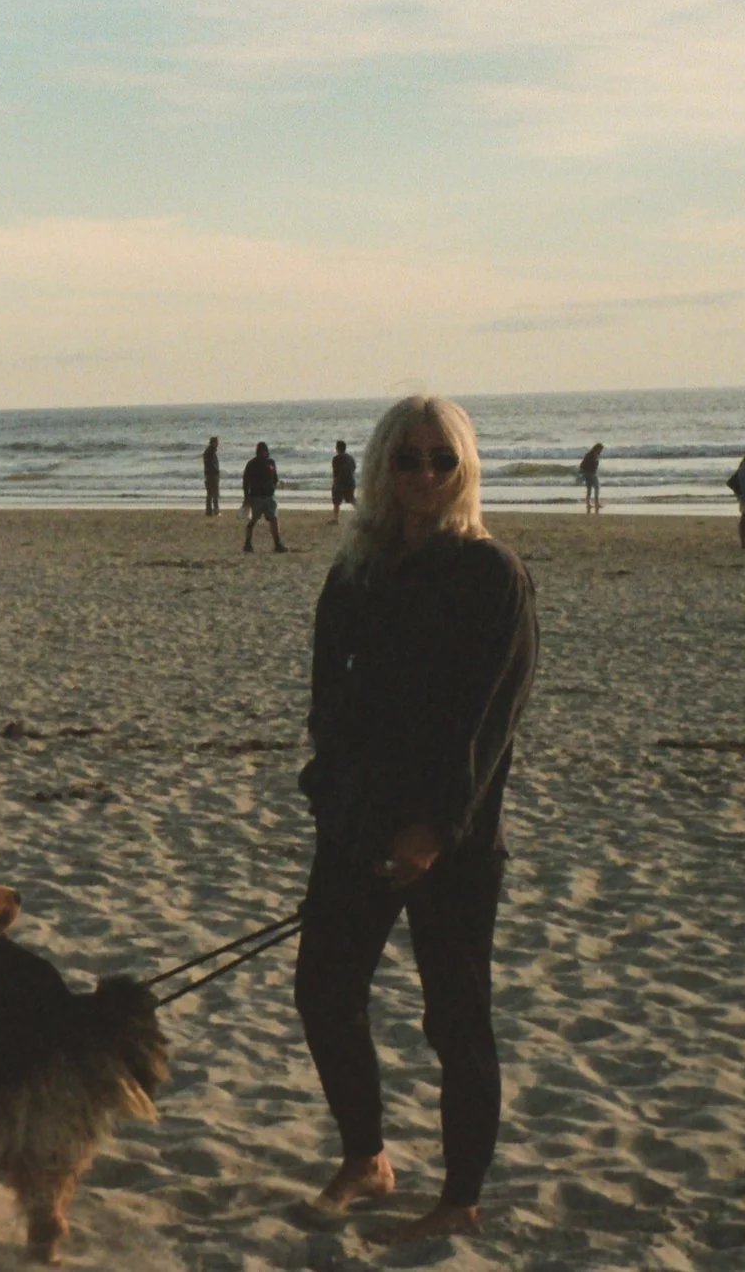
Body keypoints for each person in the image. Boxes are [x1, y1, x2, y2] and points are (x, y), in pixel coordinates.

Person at [295, 394, 537, 1245]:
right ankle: (367, 1157)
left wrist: (435, 830)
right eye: (408, 458)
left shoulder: (492, 575)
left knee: (454, 1020)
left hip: (456, 842)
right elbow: (329, 710)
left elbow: (486, 721)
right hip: (358, 828)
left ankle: (460, 1198)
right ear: (381, 469)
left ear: (464, 468)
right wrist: (340, 805)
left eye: (442, 458)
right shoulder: (354, 575)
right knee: (323, 993)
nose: (425, 473)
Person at [243, 442, 284, 553]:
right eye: (261, 451)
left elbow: (275, 478)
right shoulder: (252, 464)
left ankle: (277, 543)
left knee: (273, 519)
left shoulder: (270, 463)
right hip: (256, 496)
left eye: (264, 451)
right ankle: (247, 543)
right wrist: (246, 497)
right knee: (253, 521)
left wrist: (272, 488)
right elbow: (246, 481)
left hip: (267, 496)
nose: (262, 453)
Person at [330, 441, 356, 523]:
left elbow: (336, 472)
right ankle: (362, 513)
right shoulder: (351, 458)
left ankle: (336, 519)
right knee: (351, 499)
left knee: (336, 501)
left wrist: (334, 483)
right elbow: (354, 468)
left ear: (337, 448)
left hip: (340, 482)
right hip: (350, 481)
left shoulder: (336, 458)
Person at [577, 444, 602, 513]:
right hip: (590, 473)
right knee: (596, 487)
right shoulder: (591, 455)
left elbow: (582, 465)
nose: (601, 451)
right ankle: (596, 503)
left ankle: (588, 504)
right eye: (600, 449)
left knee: (589, 488)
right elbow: (583, 465)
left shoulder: (592, 454)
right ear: (597, 448)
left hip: (589, 473)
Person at [204, 436, 223, 516]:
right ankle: (215, 510)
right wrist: (216, 471)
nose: (218, 444)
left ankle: (209, 510)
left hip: (209, 475)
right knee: (214, 494)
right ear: (213, 443)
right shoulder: (211, 452)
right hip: (212, 475)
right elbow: (212, 465)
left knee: (210, 494)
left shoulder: (209, 452)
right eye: (216, 442)